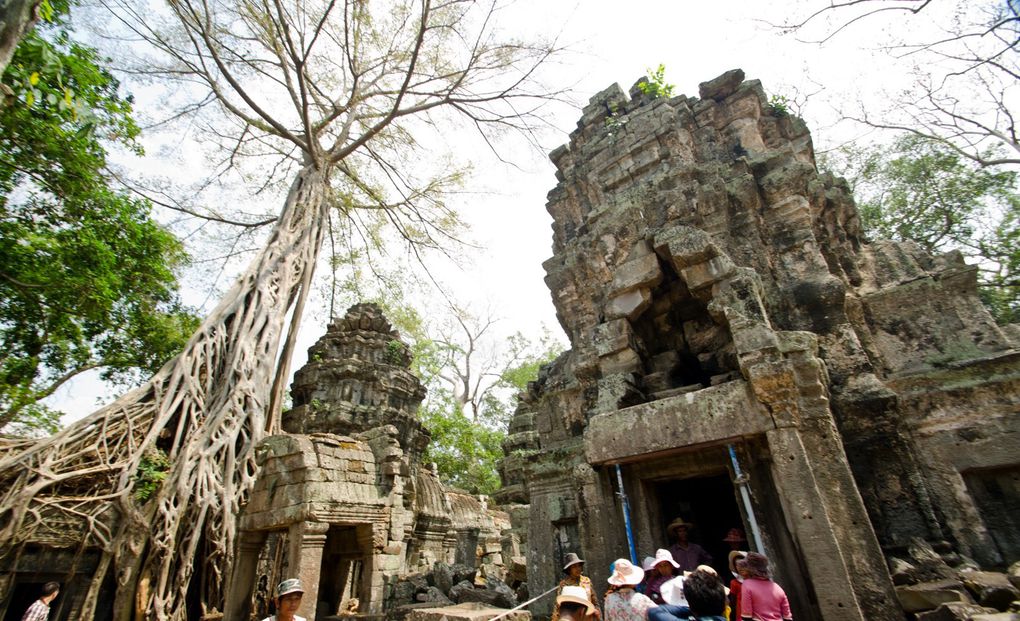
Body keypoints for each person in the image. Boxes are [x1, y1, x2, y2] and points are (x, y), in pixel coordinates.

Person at [740, 553, 791, 621]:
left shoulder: (747, 584)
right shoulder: (777, 587)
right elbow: (788, 618)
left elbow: (746, 616)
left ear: (749, 568)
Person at [552, 553, 601, 621]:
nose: (578, 568)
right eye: (574, 567)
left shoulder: (586, 581)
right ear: (569, 569)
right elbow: (558, 607)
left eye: (579, 566)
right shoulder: (564, 584)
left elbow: (595, 602)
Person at [727, 552, 748, 621]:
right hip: (741, 615)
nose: (739, 567)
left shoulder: (756, 581)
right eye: (737, 565)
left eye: (742, 564)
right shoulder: (734, 583)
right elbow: (733, 601)